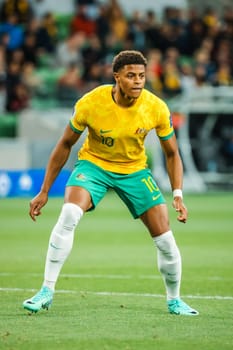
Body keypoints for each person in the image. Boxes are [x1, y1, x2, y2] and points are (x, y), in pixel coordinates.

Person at [23, 50, 199, 316]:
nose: (138, 81)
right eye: (131, 76)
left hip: (134, 171)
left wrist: (177, 194)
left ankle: (174, 300)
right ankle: (46, 290)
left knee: (165, 239)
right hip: (94, 165)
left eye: (141, 75)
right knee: (69, 212)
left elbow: (172, 153)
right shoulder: (91, 102)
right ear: (117, 77)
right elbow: (65, 144)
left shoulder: (156, 107)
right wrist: (44, 191)